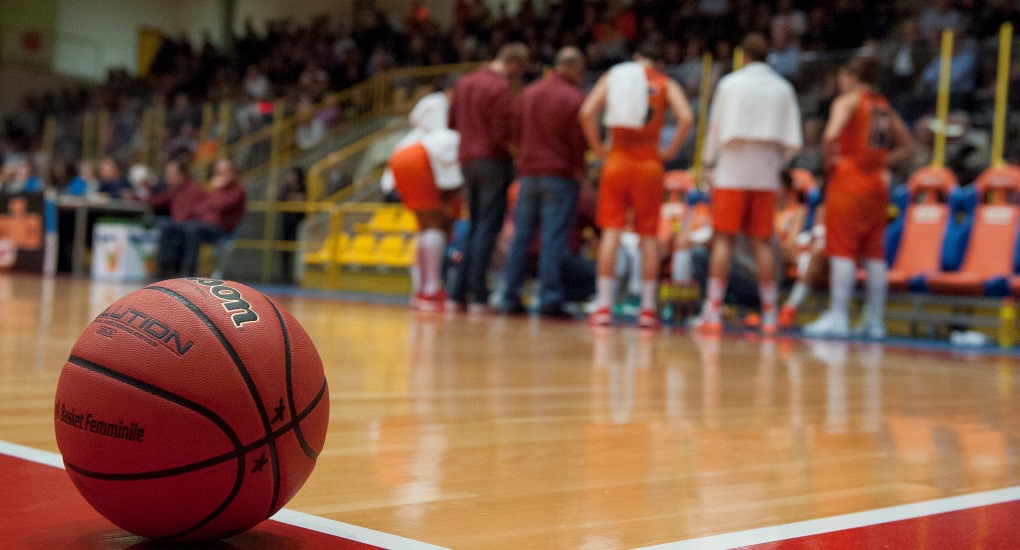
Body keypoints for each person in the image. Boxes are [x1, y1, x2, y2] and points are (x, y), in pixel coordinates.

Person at [579, 43, 694, 329]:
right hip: (649, 163)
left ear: (635, 58)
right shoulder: (664, 82)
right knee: (648, 236)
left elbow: (586, 113)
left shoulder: (614, 77)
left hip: (617, 160)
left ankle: (604, 307)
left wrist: (597, 149)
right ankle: (647, 309)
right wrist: (669, 151)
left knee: (611, 234)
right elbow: (687, 118)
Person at [695, 32, 802, 335]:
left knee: (724, 239)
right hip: (765, 172)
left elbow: (715, 127)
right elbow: (793, 141)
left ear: (743, 56)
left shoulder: (730, 83)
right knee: (762, 242)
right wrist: (775, 162)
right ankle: (770, 313)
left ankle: (713, 310)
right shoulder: (783, 88)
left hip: (732, 168)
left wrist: (708, 162)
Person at [804, 57, 914, 339]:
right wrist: (880, 162)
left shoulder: (848, 101)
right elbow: (909, 147)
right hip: (878, 183)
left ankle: (839, 316)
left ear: (851, 76)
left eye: (842, 77)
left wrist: (831, 166)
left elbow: (830, 135)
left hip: (849, 180)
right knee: (874, 253)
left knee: (842, 249)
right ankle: (875, 321)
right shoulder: (882, 104)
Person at [501, 47, 588, 319]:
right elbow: (577, 142)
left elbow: (513, 132)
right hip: (559, 175)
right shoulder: (574, 98)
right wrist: (578, 168)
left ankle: (508, 296)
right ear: (574, 68)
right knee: (553, 239)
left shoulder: (528, 93)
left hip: (527, 175)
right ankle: (549, 298)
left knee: (520, 237)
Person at [447, 42, 530, 313]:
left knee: (473, 224)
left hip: (466, 160)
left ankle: (458, 292)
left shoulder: (464, 82)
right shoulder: (500, 87)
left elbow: (452, 123)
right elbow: (503, 133)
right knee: (487, 227)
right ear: (515, 62)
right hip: (492, 161)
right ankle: (479, 294)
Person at [382, 83, 463, 312]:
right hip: (420, 158)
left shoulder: (420, 121)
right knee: (434, 225)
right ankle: (430, 292)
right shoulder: (442, 107)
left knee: (424, 227)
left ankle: (420, 290)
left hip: (402, 156)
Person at [173, 159, 246, 277]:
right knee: (177, 228)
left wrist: (218, 189)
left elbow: (220, 205)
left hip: (222, 230)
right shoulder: (214, 190)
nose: (219, 176)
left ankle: (188, 270)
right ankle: (169, 267)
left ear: (232, 173)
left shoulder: (237, 191)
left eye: (223, 173)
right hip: (206, 226)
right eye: (217, 173)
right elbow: (200, 207)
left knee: (192, 229)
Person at [150, 160, 206, 278]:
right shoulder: (174, 190)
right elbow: (158, 200)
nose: (167, 177)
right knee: (165, 225)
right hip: (181, 224)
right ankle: (165, 267)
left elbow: (189, 214)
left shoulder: (194, 189)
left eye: (171, 174)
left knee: (183, 229)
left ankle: (186, 270)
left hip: (193, 224)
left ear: (182, 174)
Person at [279, 167, 307, 283]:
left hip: (300, 223)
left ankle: (297, 277)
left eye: (293, 175)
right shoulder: (285, 189)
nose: (291, 178)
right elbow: (280, 199)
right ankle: (285, 276)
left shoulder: (304, 187)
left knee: (298, 251)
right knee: (285, 250)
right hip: (287, 223)